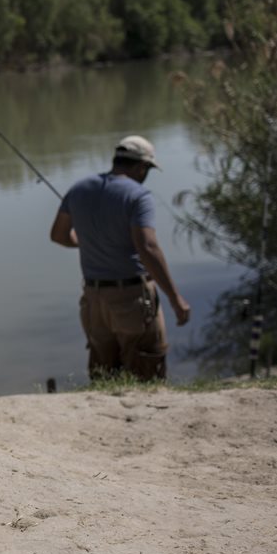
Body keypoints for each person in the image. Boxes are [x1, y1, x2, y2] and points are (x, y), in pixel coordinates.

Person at [50, 135, 191, 380]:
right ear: (141, 167)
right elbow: (147, 247)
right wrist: (175, 298)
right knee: (148, 371)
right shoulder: (138, 196)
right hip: (132, 298)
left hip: (93, 301)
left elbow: (59, 236)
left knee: (104, 374)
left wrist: (88, 240)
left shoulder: (79, 189)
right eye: (147, 170)